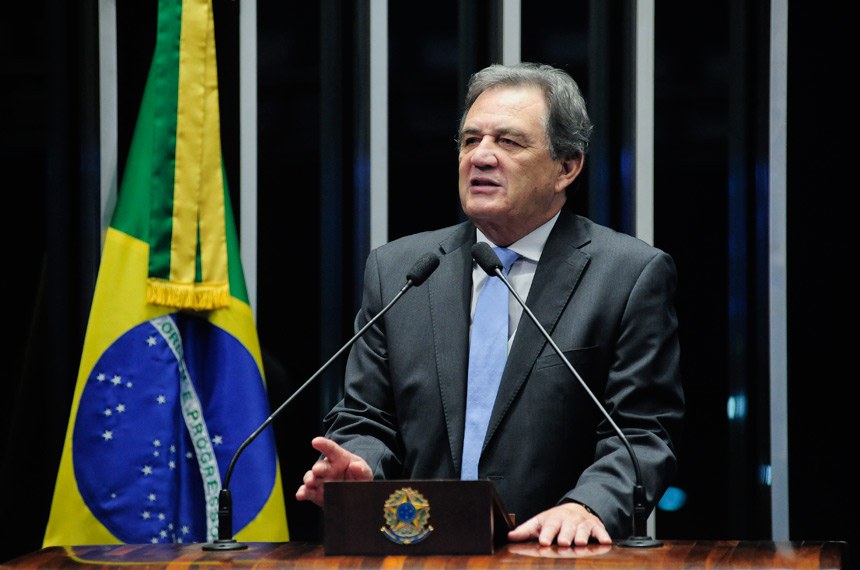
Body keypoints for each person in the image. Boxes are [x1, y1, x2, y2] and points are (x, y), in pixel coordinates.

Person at [296, 61, 684, 547]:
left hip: (556, 554)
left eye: (508, 141)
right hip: (422, 551)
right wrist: (359, 467)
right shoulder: (400, 271)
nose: (480, 157)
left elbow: (642, 432)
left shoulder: (626, 275)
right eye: (469, 140)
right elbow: (365, 418)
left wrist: (589, 504)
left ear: (567, 166)